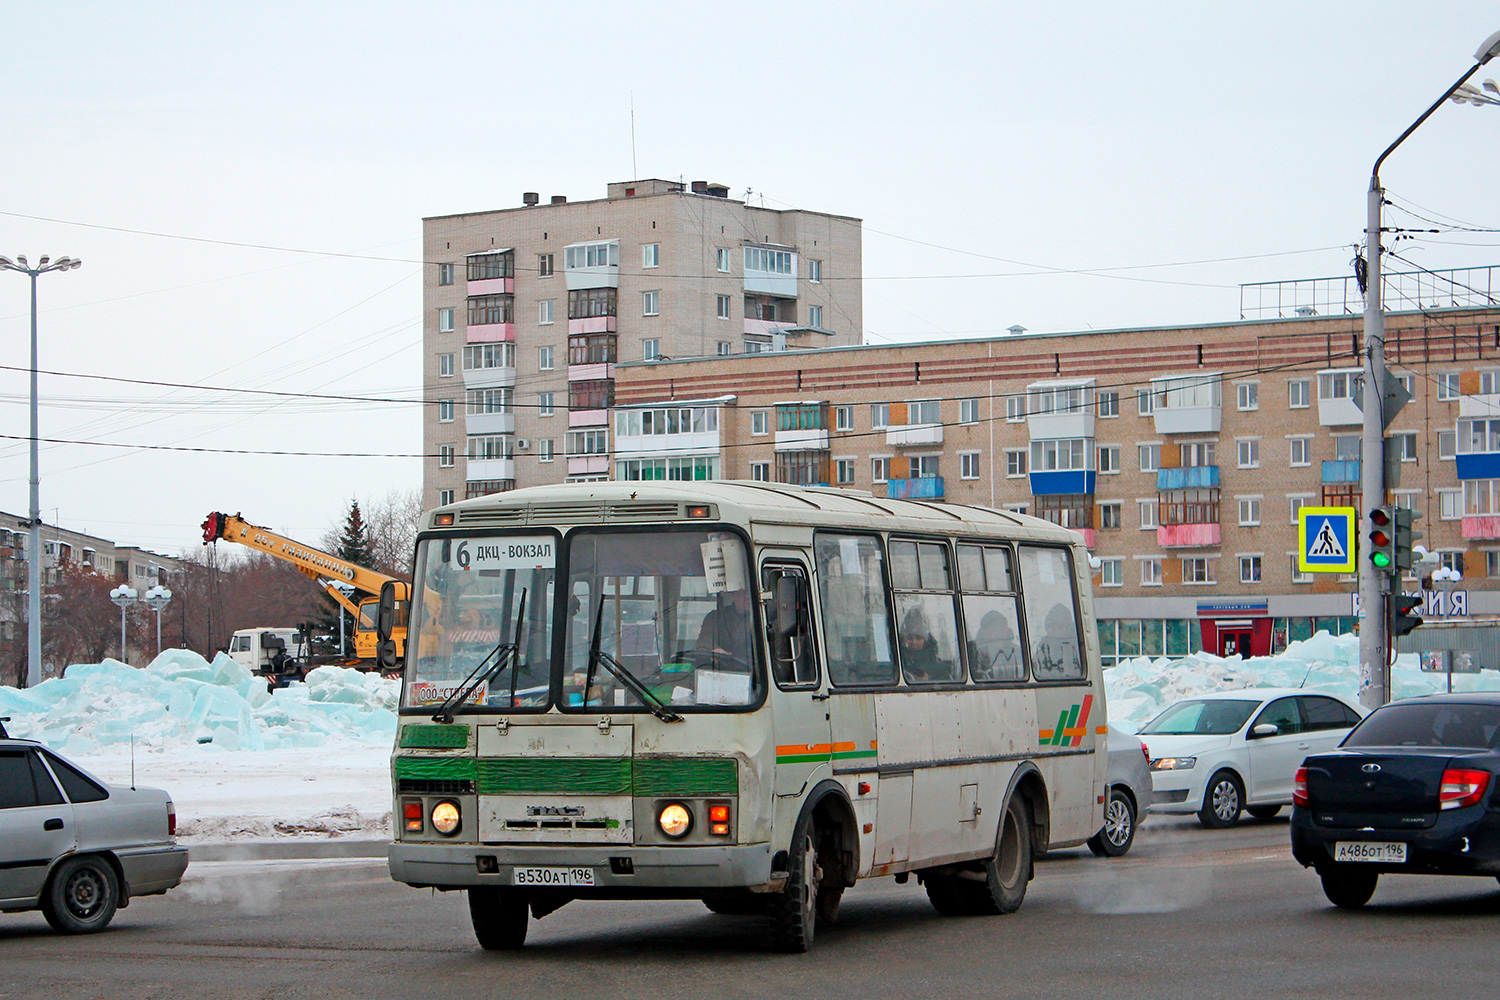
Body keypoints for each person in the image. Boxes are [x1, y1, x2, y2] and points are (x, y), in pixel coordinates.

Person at [695, 587, 752, 664]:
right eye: (744, 592)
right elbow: (703, 641)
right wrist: (715, 650)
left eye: (750, 593)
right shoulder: (715, 617)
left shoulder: (763, 619)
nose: (748, 597)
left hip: (755, 670)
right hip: (719, 669)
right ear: (733, 594)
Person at [900, 606, 945, 681]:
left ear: (925, 639)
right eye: (909, 638)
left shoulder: (937, 665)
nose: (914, 642)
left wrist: (927, 682)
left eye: (918, 638)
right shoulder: (897, 659)